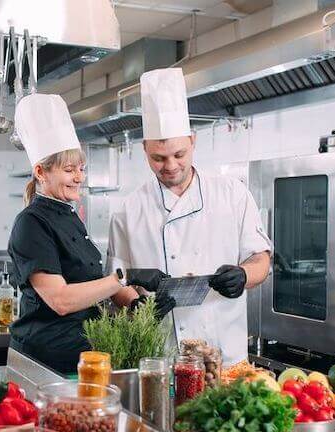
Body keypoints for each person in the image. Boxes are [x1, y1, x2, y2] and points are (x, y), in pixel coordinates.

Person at [107, 68, 272, 364]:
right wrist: (136, 305)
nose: (170, 165)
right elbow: (116, 282)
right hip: (161, 358)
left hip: (225, 358)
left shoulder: (233, 194)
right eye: (158, 158)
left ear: (193, 141)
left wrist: (244, 275)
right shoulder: (128, 211)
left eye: (179, 154)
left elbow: (261, 259)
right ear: (144, 149)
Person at [7, 93, 168, 374]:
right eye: (69, 170)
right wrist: (125, 278)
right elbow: (61, 300)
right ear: (41, 172)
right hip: (46, 363)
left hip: (85, 357)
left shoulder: (70, 216)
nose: (80, 177)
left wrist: (137, 305)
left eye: (81, 169)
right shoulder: (30, 224)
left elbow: (92, 281)